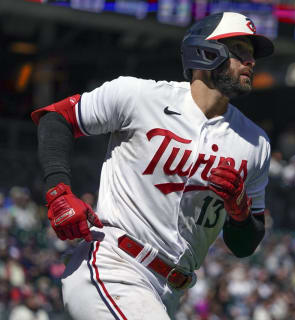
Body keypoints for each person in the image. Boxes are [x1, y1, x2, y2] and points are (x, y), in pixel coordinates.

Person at [31, 11, 274, 320]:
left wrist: (240, 215)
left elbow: (244, 245)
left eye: (252, 55)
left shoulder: (256, 143)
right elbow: (56, 118)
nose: (251, 62)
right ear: (206, 51)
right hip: (114, 264)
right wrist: (58, 190)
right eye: (240, 51)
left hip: (170, 292)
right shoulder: (139, 96)